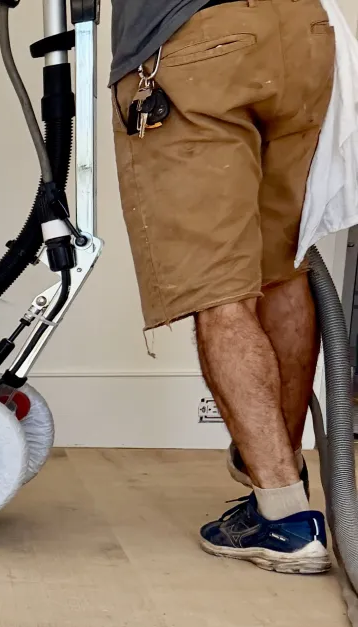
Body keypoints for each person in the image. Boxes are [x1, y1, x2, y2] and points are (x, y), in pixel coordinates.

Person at [112, 0, 338, 573]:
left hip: (198, 41)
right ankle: (275, 471)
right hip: (305, 32)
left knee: (219, 291)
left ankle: (284, 516)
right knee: (283, 269)